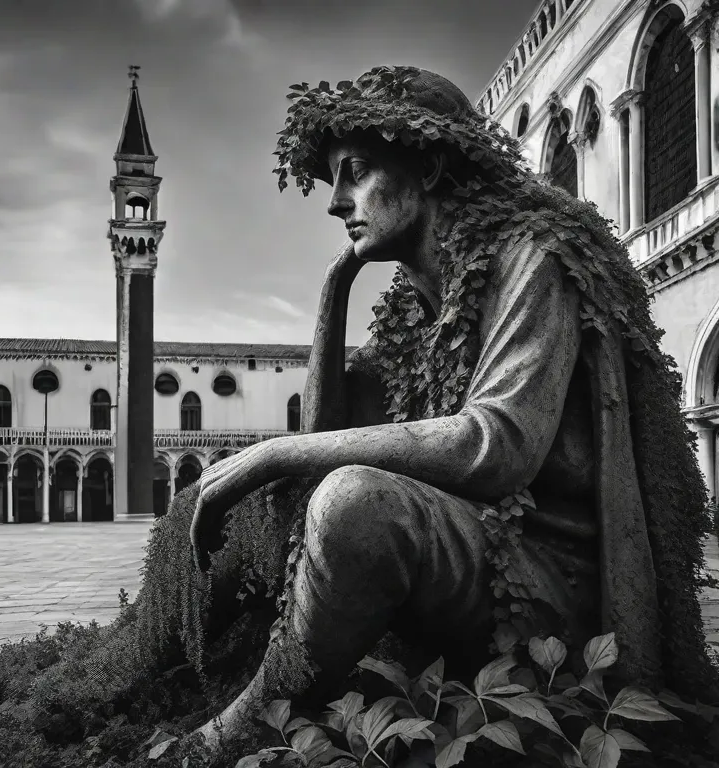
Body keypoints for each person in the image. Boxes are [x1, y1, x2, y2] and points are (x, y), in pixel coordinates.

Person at [187, 66, 718, 749]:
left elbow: (495, 445)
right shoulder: (415, 307)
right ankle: (184, 664)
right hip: (475, 552)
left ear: (431, 166)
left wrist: (268, 454)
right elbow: (322, 444)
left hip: (546, 585)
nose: (336, 201)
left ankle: (245, 721)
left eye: (355, 171)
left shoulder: (536, 260)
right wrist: (333, 293)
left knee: (354, 505)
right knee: (222, 505)